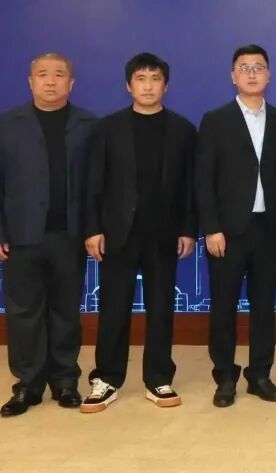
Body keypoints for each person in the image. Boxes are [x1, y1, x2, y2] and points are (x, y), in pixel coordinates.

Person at [0, 52, 97, 417]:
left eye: (59, 75)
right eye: (42, 74)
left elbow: (98, 184)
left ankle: (65, 381)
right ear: (30, 82)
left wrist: (94, 230)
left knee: (66, 311)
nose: (50, 81)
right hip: (22, 236)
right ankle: (27, 385)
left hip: (70, 235)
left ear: (71, 84)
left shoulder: (88, 125)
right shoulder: (8, 124)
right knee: (23, 313)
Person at [80, 52, 197, 413]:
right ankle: (106, 379)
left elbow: (190, 187)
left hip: (164, 233)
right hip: (118, 233)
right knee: (113, 308)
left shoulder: (182, 129)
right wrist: (92, 229)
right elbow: (93, 183)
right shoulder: (108, 128)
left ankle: (159, 378)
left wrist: (188, 229)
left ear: (166, 86)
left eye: (155, 79)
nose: (148, 86)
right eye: (141, 79)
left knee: (161, 308)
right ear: (128, 85)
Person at [196, 44, 276, 408]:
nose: (252, 74)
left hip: (269, 229)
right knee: (223, 307)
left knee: (264, 306)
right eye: (244, 67)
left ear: (269, 75)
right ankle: (225, 376)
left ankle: (260, 374)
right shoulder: (215, 120)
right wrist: (211, 227)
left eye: (258, 67)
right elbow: (204, 179)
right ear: (233, 76)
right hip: (227, 231)